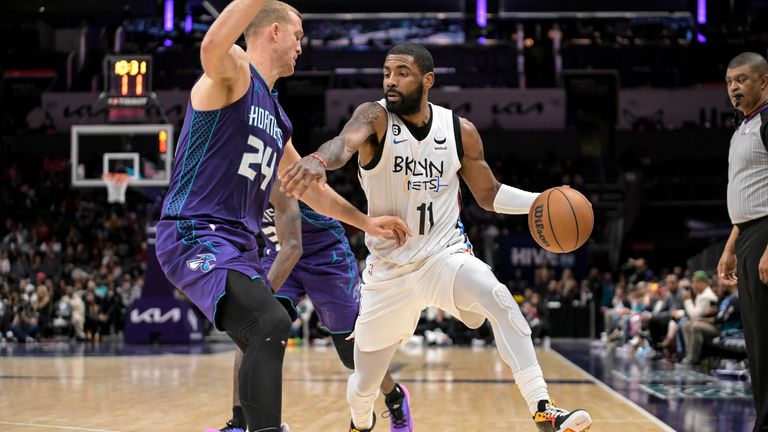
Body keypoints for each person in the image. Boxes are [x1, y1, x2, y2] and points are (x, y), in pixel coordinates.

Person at [280, 42, 592, 432]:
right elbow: (344, 145)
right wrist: (318, 159)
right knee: (363, 384)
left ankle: (543, 408)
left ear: (427, 80)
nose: (391, 81)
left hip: (443, 257)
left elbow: (489, 194)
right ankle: (360, 425)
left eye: (402, 73)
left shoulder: (460, 131)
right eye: (386, 73)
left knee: (498, 297)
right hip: (390, 271)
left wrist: (539, 202)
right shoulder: (374, 116)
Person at [155, 2, 407, 430]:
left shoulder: (276, 118)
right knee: (269, 320)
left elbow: (312, 191)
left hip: (237, 244)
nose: (300, 47)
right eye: (298, 36)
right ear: (273, 31)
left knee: (266, 329)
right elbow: (214, 44)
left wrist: (366, 223)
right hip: (194, 230)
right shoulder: (233, 72)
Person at [214, 148, 414, 432]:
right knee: (252, 328)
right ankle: (238, 423)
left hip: (324, 256)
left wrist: (260, 294)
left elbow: (294, 246)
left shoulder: (275, 172)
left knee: (351, 352)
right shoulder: (228, 184)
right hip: (278, 252)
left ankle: (394, 398)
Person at [719, 51, 768, 432]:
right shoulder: (742, 127)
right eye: (730, 81)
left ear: (763, 81)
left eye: (743, 79)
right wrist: (731, 243)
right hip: (749, 233)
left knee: (766, 336)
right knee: (756, 339)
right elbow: (748, 192)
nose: (734, 87)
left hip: (766, 235)